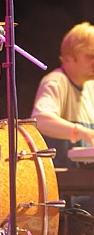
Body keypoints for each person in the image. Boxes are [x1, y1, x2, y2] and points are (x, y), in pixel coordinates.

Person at [31, 21, 94, 169]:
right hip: (61, 179)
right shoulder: (56, 81)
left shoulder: (90, 86)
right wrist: (80, 131)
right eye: (90, 56)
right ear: (70, 56)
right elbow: (39, 120)